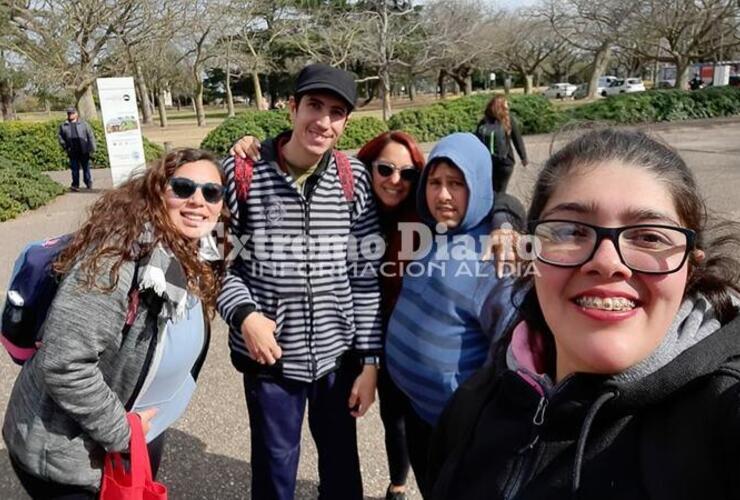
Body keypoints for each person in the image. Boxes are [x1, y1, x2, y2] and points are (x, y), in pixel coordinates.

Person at [428, 129, 740, 500]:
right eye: (571, 230)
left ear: (690, 267)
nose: (606, 262)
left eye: (649, 237)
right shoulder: (475, 404)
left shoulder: (721, 415)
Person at [3, 148, 227, 499]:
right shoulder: (115, 261)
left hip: (137, 431)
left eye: (211, 192)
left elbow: (256, 234)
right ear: (156, 192)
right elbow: (65, 365)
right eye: (183, 188)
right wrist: (124, 433)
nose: (198, 200)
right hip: (73, 458)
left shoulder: (192, 250)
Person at [217, 63, 383, 500]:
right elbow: (217, 266)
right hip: (269, 357)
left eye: (337, 112)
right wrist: (245, 316)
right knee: (274, 469)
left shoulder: (354, 179)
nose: (323, 122)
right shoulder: (241, 175)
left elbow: (364, 276)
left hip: (337, 356)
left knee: (343, 467)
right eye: (314, 105)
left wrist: (369, 361)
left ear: (346, 123)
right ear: (292, 107)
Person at [385, 132, 521, 498]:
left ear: (476, 185)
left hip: (457, 427)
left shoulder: (496, 256)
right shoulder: (431, 231)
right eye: (435, 182)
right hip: (417, 412)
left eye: (456, 184)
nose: (443, 194)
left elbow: (511, 354)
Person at [475, 94, 528, 194]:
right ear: (501, 107)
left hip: (488, 162)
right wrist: (523, 157)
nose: (508, 107)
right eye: (506, 105)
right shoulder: (508, 119)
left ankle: (492, 207)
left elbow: (476, 142)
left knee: (491, 191)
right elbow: (517, 139)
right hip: (506, 162)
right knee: (501, 191)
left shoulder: (483, 122)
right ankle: (499, 207)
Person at [58, 107, 97, 191]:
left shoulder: (84, 124)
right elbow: (60, 137)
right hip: (72, 151)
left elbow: (90, 135)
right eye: (69, 113)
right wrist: (65, 145)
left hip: (83, 150)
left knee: (86, 168)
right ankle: (75, 185)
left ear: (76, 114)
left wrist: (92, 147)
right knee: (74, 170)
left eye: (72, 113)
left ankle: (88, 183)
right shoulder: (63, 125)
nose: (70, 115)